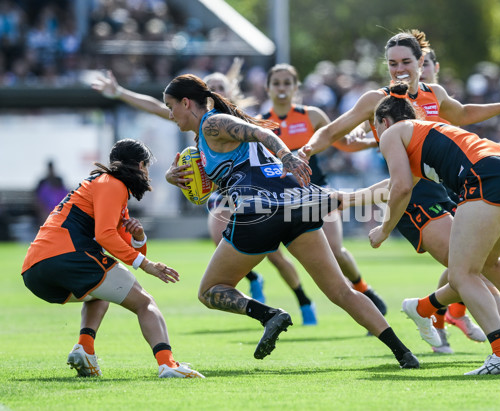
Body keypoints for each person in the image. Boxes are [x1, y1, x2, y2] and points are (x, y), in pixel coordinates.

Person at [301, 30, 500, 362]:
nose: (399, 69)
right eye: (392, 63)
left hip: (448, 189)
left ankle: (430, 311)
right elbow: (334, 131)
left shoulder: (435, 93)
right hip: (413, 199)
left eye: (406, 61)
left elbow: (462, 116)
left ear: (422, 62)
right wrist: (304, 150)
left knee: (476, 268)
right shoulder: (378, 100)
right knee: (472, 270)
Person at [161, 73, 419, 368]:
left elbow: (263, 135)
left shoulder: (212, 123)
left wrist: (286, 155)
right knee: (340, 291)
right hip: (297, 202)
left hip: (259, 211)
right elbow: (207, 187)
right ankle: (403, 352)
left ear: (185, 102)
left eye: (170, 106)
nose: (170, 114)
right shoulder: (203, 141)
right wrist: (174, 179)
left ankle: (269, 315)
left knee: (209, 291)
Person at [337, 81, 500, 375]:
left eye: (374, 128)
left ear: (382, 121)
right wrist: (350, 199)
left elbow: (401, 188)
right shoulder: (421, 133)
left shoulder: (392, 133)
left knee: (462, 273)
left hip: (484, 174)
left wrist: (383, 229)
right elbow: (398, 185)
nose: (375, 136)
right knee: (489, 264)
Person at [91, 64, 319, 325]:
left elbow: (261, 137)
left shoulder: (224, 120)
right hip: (224, 188)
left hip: (257, 189)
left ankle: (300, 297)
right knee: (218, 233)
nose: (217, 90)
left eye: (221, 87)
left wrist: (287, 157)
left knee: (276, 256)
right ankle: (252, 279)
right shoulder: (190, 119)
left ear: (222, 94)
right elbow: (156, 107)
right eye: (214, 85)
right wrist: (120, 92)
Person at [21, 139, 204, 378]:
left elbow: (123, 243)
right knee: (145, 303)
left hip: (35, 270)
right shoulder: (112, 184)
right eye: (147, 167)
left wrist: (138, 238)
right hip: (66, 255)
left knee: (100, 293)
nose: (147, 174)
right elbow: (105, 235)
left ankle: (85, 349)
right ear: (140, 165)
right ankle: (167, 364)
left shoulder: (103, 183)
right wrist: (147, 265)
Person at [257, 64, 388, 316]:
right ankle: (303, 303)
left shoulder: (313, 115)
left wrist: (378, 140)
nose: (282, 88)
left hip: (319, 192)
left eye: (287, 83)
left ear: (296, 88)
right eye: (277, 83)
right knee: (274, 254)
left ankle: (364, 290)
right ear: (268, 88)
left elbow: (344, 143)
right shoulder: (259, 122)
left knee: (335, 251)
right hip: (282, 200)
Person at [34, 160, 69, 225]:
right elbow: (38, 200)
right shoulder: (43, 182)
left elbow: (65, 195)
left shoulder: (59, 180)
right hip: (46, 210)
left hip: (58, 210)